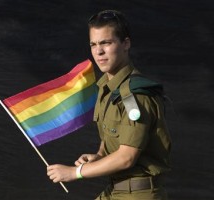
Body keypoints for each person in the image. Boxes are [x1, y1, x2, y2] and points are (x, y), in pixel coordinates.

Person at [47, 10, 172, 199]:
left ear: (126, 44)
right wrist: (99, 156)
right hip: (117, 188)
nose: (99, 51)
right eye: (93, 44)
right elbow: (112, 141)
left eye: (106, 43)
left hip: (138, 193)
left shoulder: (133, 95)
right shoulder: (107, 88)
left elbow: (126, 157)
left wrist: (75, 172)